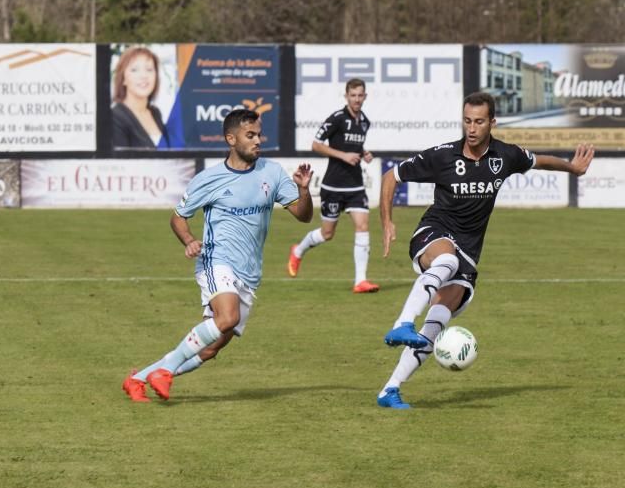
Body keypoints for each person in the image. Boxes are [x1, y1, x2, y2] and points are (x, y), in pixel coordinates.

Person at [376, 91, 595, 409]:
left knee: (436, 324)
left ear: (492, 122)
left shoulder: (505, 156)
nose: (471, 128)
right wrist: (387, 222)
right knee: (447, 259)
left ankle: (390, 390)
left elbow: (539, 161)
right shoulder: (443, 156)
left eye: (479, 121)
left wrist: (573, 168)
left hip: (468, 253)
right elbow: (390, 176)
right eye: (467, 121)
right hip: (433, 234)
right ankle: (402, 323)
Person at [122, 108, 314, 402]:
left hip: (249, 273)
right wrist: (189, 240)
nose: (257, 141)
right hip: (216, 260)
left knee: (211, 348)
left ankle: (138, 379)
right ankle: (165, 371)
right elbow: (178, 217)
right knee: (227, 317)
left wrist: (303, 190)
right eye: (250, 135)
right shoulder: (209, 179)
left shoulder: (272, 173)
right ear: (231, 139)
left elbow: (303, 215)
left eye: (259, 135)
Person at [287, 78, 379, 293]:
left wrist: (363, 153)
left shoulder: (365, 121)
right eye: (353, 95)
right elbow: (316, 144)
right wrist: (343, 155)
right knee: (327, 234)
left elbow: (354, 145)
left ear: (365, 96)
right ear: (346, 96)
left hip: (355, 185)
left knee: (363, 226)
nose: (357, 99)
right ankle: (298, 251)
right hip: (334, 186)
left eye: (360, 95)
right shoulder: (337, 118)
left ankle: (360, 281)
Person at [111, 46, 170, 149]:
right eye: (134, 70)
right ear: (123, 79)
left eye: (149, 70)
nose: (143, 76)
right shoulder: (115, 117)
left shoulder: (155, 113)